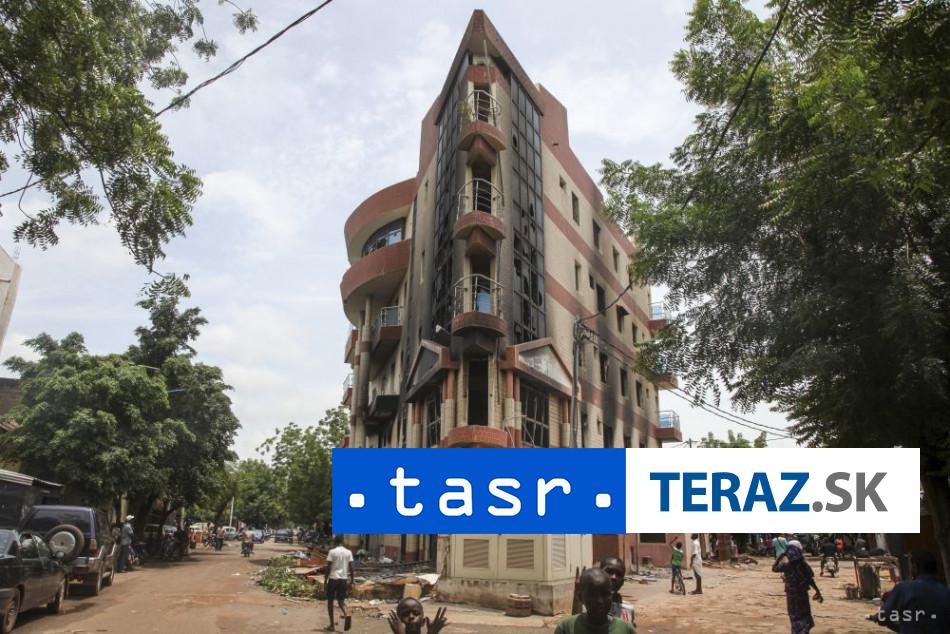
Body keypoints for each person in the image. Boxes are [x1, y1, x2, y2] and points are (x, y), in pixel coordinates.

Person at [872, 550, 950, 633]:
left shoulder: (904, 588)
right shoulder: (946, 592)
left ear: (915, 568)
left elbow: (884, 618)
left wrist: (879, 617)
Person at [556, 568, 636, 633]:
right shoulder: (566, 628)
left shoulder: (626, 629)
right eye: (593, 595)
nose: (600, 601)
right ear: (581, 598)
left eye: (605, 594)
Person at [772, 540, 823, 634]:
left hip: (791, 593)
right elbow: (810, 579)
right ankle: (804, 630)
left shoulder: (786, 565)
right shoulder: (803, 565)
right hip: (802, 593)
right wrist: (817, 591)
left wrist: (780, 556)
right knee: (804, 613)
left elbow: (774, 568)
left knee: (794, 614)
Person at [324, 535, 354, 631]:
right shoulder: (348, 552)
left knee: (330, 601)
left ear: (335, 542)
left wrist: (325, 581)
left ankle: (332, 625)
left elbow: (328, 567)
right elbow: (351, 568)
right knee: (341, 602)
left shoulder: (332, 552)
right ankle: (346, 613)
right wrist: (352, 581)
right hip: (343, 579)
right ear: (343, 542)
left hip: (333, 579)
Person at [600, 556, 635, 624]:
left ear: (622, 582)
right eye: (609, 572)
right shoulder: (587, 606)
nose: (614, 577)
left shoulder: (628, 610)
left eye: (619, 574)